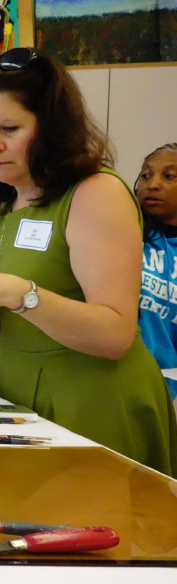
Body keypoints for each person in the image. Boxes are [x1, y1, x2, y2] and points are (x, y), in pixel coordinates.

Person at [0, 47, 177, 476]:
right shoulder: (18, 201)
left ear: (50, 127)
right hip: (23, 395)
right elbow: (34, 319)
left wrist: (16, 292)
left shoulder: (96, 192)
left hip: (94, 403)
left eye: (9, 128)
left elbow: (115, 334)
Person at [136, 142, 177, 400]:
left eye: (169, 176)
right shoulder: (123, 234)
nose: (153, 185)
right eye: (146, 175)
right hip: (113, 377)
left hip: (168, 389)